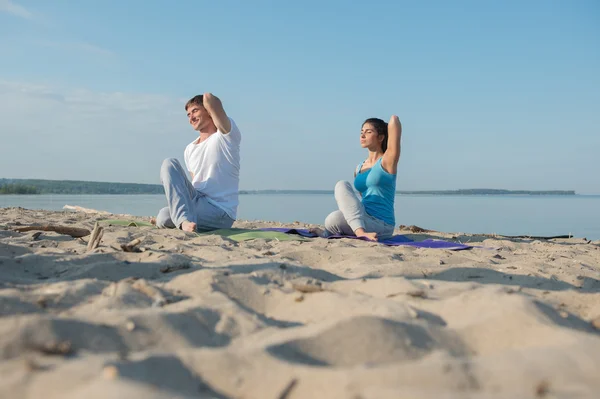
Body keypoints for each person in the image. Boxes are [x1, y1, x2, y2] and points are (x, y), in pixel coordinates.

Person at [154, 93, 241, 232]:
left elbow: (209, 98)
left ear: (208, 110)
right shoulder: (189, 149)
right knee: (169, 164)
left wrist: (208, 103)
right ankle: (183, 220)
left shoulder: (226, 137)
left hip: (219, 211)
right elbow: (194, 182)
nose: (191, 117)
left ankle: (182, 221)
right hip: (197, 200)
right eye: (188, 115)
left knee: (168, 217)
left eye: (195, 111)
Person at [311, 115, 402, 241]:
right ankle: (338, 232)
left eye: (368, 132)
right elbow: (360, 198)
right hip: (363, 218)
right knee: (333, 216)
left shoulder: (387, 161)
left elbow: (394, 120)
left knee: (340, 192)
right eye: (361, 132)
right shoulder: (359, 167)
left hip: (382, 224)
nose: (362, 136)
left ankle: (360, 232)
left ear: (381, 137)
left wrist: (390, 121)